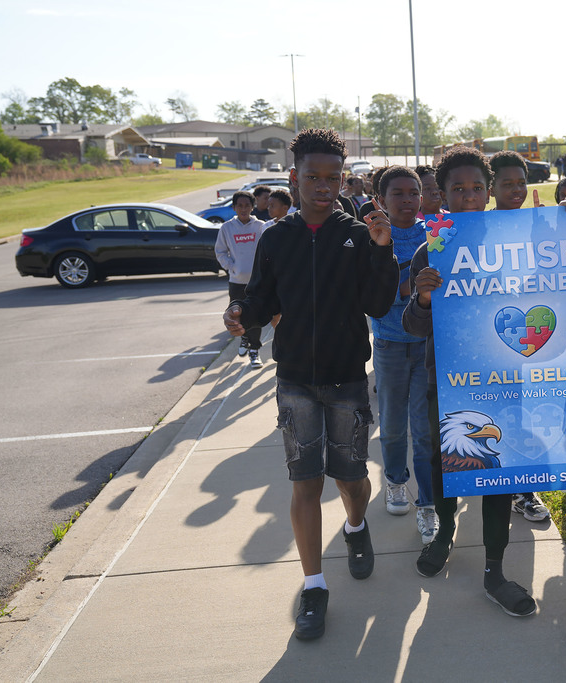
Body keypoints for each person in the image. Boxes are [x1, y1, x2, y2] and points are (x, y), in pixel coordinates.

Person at [223, 128, 398, 641]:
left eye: (332, 178)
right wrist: (241, 314)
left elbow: (378, 304)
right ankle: (315, 585)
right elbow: (258, 298)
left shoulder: (360, 232)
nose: (323, 186)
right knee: (305, 483)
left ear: (342, 179)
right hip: (295, 378)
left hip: (346, 377)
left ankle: (356, 526)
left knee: (351, 479)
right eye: (311, 177)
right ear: (293, 178)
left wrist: (383, 250)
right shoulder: (277, 237)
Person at [403, 145, 537, 618]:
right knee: (447, 468)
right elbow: (413, 326)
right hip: (450, 382)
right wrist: (422, 299)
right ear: (442, 193)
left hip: (505, 380)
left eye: (477, 188)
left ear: (489, 190)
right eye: (457, 189)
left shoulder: (519, 239)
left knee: (500, 471)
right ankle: (444, 532)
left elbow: (564, 272)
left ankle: (495, 569)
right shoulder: (431, 246)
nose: (468, 197)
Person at [369, 165, 439, 544]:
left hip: (429, 345)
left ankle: (428, 505)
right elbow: (375, 294)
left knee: (426, 429)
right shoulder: (374, 237)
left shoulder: (438, 232)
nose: (409, 200)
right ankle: (396, 481)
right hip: (391, 344)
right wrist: (413, 282)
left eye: (414, 192)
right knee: (393, 425)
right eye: (398, 193)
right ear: (381, 199)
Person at [487, 150, 552, 523]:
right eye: (506, 183)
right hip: (491, 335)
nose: (516, 190)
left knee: (524, 414)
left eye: (521, 183)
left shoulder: (540, 222)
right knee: (497, 413)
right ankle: (496, 484)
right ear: (492, 187)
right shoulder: (475, 227)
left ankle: (524, 491)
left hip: (532, 336)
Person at [214, 190, 266, 368]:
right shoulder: (227, 228)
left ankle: (254, 351)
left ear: (253, 206)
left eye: (247, 205)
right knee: (239, 315)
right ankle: (244, 338)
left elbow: (267, 250)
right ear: (234, 207)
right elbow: (220, 251)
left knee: (256, 315)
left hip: (257, 282)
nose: (244, 209)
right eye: (240, 206)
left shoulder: (260, 226)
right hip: (236, 281)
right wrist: (231, 266)